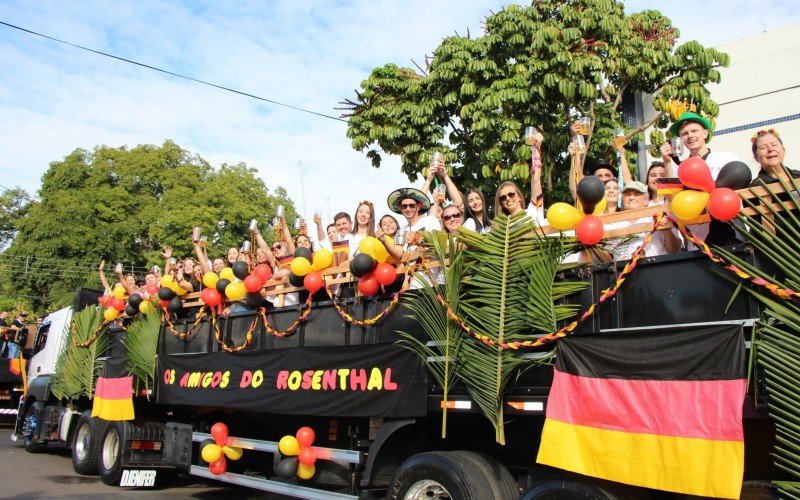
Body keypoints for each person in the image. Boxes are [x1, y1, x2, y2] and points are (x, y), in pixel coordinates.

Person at [660, 112, 745, 247]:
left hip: (733, 229)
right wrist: (667, 162)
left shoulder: (727, 158)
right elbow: (672, 201)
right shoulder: (679, 169)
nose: (690, 136)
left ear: (705, 133)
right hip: (699, 238)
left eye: (694, 131)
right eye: (685, 133)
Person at [606, 181, 680, 261]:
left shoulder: (656, 217)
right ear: (623, 200)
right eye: (628, 195)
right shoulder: (614, 223)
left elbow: (674, 250)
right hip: (622, 271)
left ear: (646, 200)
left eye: (637, 194)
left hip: (654, 268)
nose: (631, 198)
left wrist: (666, 230)